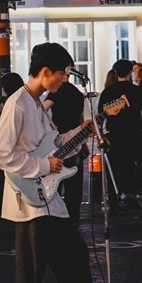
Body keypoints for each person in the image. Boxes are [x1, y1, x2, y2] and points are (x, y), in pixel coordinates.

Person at [0, 42, 134, 283]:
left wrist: (80, 132)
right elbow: (0, 154)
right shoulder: (18, 104)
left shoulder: (37, 104)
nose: (64, 80)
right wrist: (42, 164)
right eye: (61, 74)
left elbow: (53, 144)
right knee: (32, 263)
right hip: (28, 198)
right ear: (44, 72)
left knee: (75, 255)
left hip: (48, 198)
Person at [98, 60, 142, 211]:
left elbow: (100, 116)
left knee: (115, 166)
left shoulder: (107, 92)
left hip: (114, 133)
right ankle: (130, 192)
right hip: (134, 133)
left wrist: (101, 134)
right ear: (130, 73)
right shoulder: (137, 91)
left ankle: (114, 199)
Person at [43, 81, 88, 221]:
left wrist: (50, 125)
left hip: (57, 140)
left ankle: (56, 216)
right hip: (76, 139)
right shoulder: (77, 93)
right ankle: (73, 218)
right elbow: (81, 119)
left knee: (54, 184)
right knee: (74, 186)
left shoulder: (57, 90)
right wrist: (84, 141)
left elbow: (43, 109)